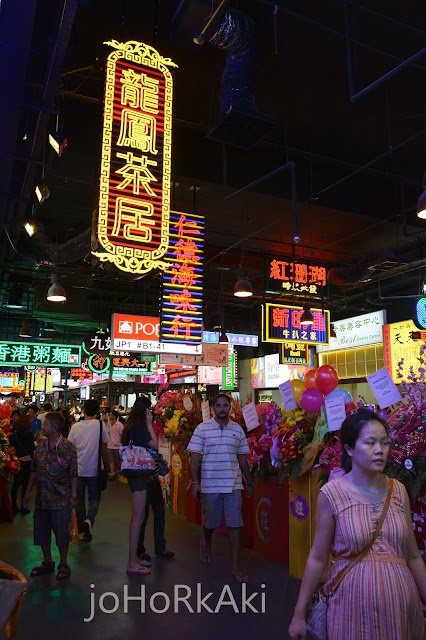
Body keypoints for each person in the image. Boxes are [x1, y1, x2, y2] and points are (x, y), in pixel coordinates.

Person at [289, 408, 426, 640]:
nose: (379, 451)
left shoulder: (398, 490)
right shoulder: (332, 494)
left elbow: (412, 557)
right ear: (349, 449)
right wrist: (299, 614)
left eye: (384, 443)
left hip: (401, 610)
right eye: (370, 443)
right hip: (351, 610)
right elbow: (318, 558)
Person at [187, 393, 253, 583]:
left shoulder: (238, 430)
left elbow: (242, 457)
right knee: (211, 523)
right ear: (213, 407)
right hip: (210, 485)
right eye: (219, 405)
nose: (222, 409)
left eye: (226, 405)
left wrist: (249, 481)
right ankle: (206, 543)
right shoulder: (202, 429)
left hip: (233, 484)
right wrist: (195, 482)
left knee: (235, 524)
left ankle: (235, 566)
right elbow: (194, 457)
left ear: (230, 408)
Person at [23, 412, 78, 580]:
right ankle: (48, 561)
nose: (42, 427)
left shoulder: (68, 448)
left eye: (45, 424)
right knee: (41, 531)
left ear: (54, 428)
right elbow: (34, 471)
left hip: (61, 499)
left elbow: (74, 474)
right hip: (42, 498)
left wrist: (73, 497)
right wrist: (27, 493)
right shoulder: (40, 447)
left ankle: (63, 563)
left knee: (62, 532)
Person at [121, 397, 158, 575]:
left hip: (135, 473)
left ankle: (134, 559)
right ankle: (131, 563)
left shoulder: (131, 425)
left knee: (139, 517)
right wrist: (150, 424)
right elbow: (155, 445)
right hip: (139, 474)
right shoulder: (139, 426)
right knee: (137, 518)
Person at [68, 399, 109, 542]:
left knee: (79, 500)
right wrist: (108, 464)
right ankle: (89, 521)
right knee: (94, 498)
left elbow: (70, 450)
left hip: (78, 470)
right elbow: (104, 448)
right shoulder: (100, 425)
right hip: (95, 469)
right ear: (98, 412)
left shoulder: (75, 427)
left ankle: (81, 530)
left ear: (84, 411)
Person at [9, 414, 35, 514]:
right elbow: (31, 448)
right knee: (25, 485)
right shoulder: (28, 433)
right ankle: (24, 507)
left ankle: (14, 506)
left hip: (16, 461)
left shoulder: (14, 434)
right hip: (27, 461)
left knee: (15, 485)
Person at [107, 410, 124, 480]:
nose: (109, 416)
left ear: (114, 416)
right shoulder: (109, 424)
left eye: (111, 415)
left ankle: (116, 472)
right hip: (110, 445)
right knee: (111, 461)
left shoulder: (119, 425)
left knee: (117, 461)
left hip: (118, 446)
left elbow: (122, 435)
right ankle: (113, 474)